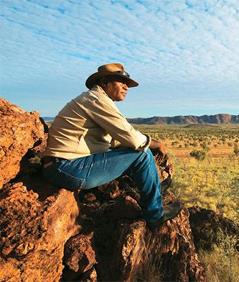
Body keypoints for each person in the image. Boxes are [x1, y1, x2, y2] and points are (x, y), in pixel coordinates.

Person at [42, 63, 181, 229]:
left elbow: (116, 140)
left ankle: (153, 188)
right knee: (141, 154)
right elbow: (131, 137)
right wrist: (155, 144)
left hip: (63, 166)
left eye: (127, 84)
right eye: (121, 82)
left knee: (129, 152)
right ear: (105, 82)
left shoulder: (95, 99)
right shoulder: (96, 99)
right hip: (66, 168)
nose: (126, 87)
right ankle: (155, 215)